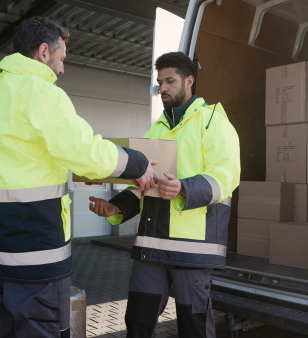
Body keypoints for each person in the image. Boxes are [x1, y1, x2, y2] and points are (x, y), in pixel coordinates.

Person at [0, 16, 158, 338]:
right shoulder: (41, 93)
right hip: (37, 248)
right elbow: (84, 152)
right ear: (44, 52)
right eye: (62, 58)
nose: (62, 69)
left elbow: (29, 158)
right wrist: (138, 164)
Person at [89, 51, 241, 338]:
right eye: (160, 83)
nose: (164, 88)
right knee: (137, 322)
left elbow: (226, 177)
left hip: (194, 249)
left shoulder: (213, 122)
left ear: (189, 80)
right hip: (152, 245)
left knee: (193, 327)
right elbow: (144, 182)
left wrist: (184, 188)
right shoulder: (156, 127)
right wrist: (115, 208)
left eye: (170, 81)